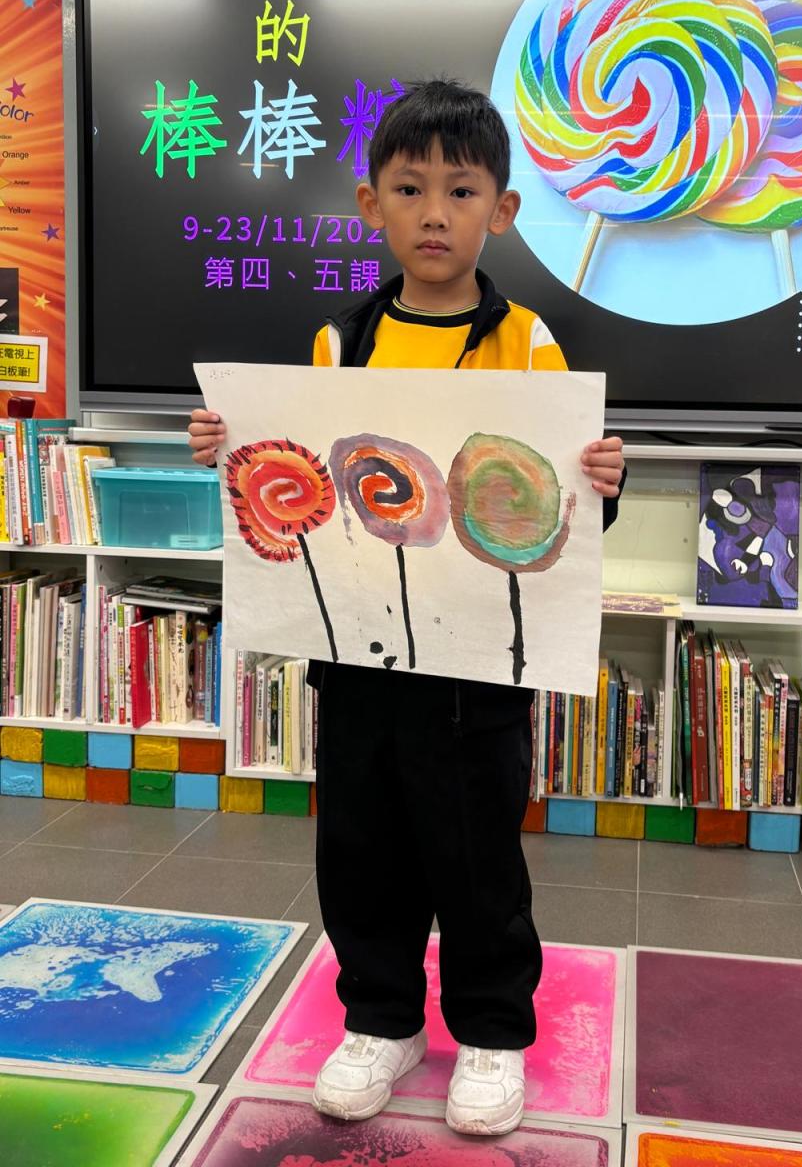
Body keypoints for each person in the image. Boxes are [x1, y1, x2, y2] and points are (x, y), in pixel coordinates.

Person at [189, 79, 625, 1137]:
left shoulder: (529, 343)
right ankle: (380, 1019)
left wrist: (605, 480)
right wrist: (229, 448)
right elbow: (305, 483)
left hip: (479, 671)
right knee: (361, 847)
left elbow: (556, 509)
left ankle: (491, 1031)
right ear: (370, 203)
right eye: (410, 187)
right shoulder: (340, 344)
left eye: (461, 190)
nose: (436, 213)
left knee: (477, 856)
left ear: (502, 210)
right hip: (359, 658)